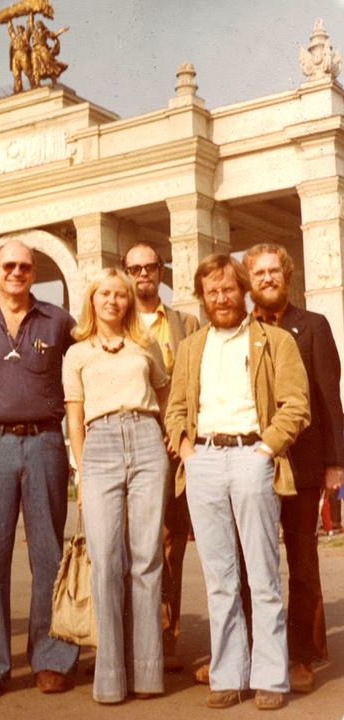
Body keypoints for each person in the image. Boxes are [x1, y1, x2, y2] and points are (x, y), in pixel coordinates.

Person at [165, 254, 310, 711]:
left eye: (228, 289)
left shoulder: (275, 340)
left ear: (243, 290)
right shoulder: (191, 347)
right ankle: (228, 673)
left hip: (253, 457)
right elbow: (175, 411)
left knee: (264, 573)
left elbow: (296, 405)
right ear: (202, 297)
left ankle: (270, 676)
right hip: (204, 458)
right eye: (212, 291)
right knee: (219, 577)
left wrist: (264, 450)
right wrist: (188, 451)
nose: (221, 298)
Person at [0, 240, 79, 700]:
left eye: (25, 266)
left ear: (34, 272)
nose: (17, 273)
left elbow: (87, 359)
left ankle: (50, 658)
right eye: (9, 265)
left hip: (46, 441)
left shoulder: (57, 319)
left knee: (48, 555)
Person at [64, 267, 170, 704]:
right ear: (92, 300)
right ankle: (109, 675)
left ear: (129, 302)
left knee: (146, 559)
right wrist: (82, 472)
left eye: (121, 295)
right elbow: (74, 417)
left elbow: (163, 396)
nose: (113, 301)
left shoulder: (144, 345)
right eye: (105, 294)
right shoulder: (76, 354)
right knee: (106, 560)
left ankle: (148, 673)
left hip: (145, 439)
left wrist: (165, 435)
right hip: (101, 444)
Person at [243, 243, 344, 692]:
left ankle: (301, 655)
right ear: (250, 281)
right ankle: (250, 653)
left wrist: (335, 463)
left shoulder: (313, 326)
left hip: (301, 463)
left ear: (287, 276)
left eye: (274, 272)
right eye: (258, 273)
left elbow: (328, 396)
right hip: (251, 465)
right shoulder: (237, 330)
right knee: (250, 563)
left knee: (301, 562)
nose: (267, 279)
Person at [122, 242, 199, 672]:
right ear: (125, 272)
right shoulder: (115, 319)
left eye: (150, 267)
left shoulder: (184, 322)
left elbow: (193, 383)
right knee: (126, 542)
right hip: (127, 442)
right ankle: (127, 635)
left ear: (161, 270)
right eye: (134, 268)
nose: (142, 274)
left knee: (170, 543)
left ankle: (165, 639)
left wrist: (182, 432)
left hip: (173, 446)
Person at [7, 18, 35, 93]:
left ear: (23, 29)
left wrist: (31, 15)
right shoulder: (15, 37)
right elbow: (10, 30)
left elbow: (29, 27)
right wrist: (9, 20)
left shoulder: (25, 36)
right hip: (15, 56)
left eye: (20, 28)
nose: (19, 29)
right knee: (16, 74)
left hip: (23, 55)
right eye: (18, 28)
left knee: (28, 71)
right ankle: (17, 89)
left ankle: (34, 85)